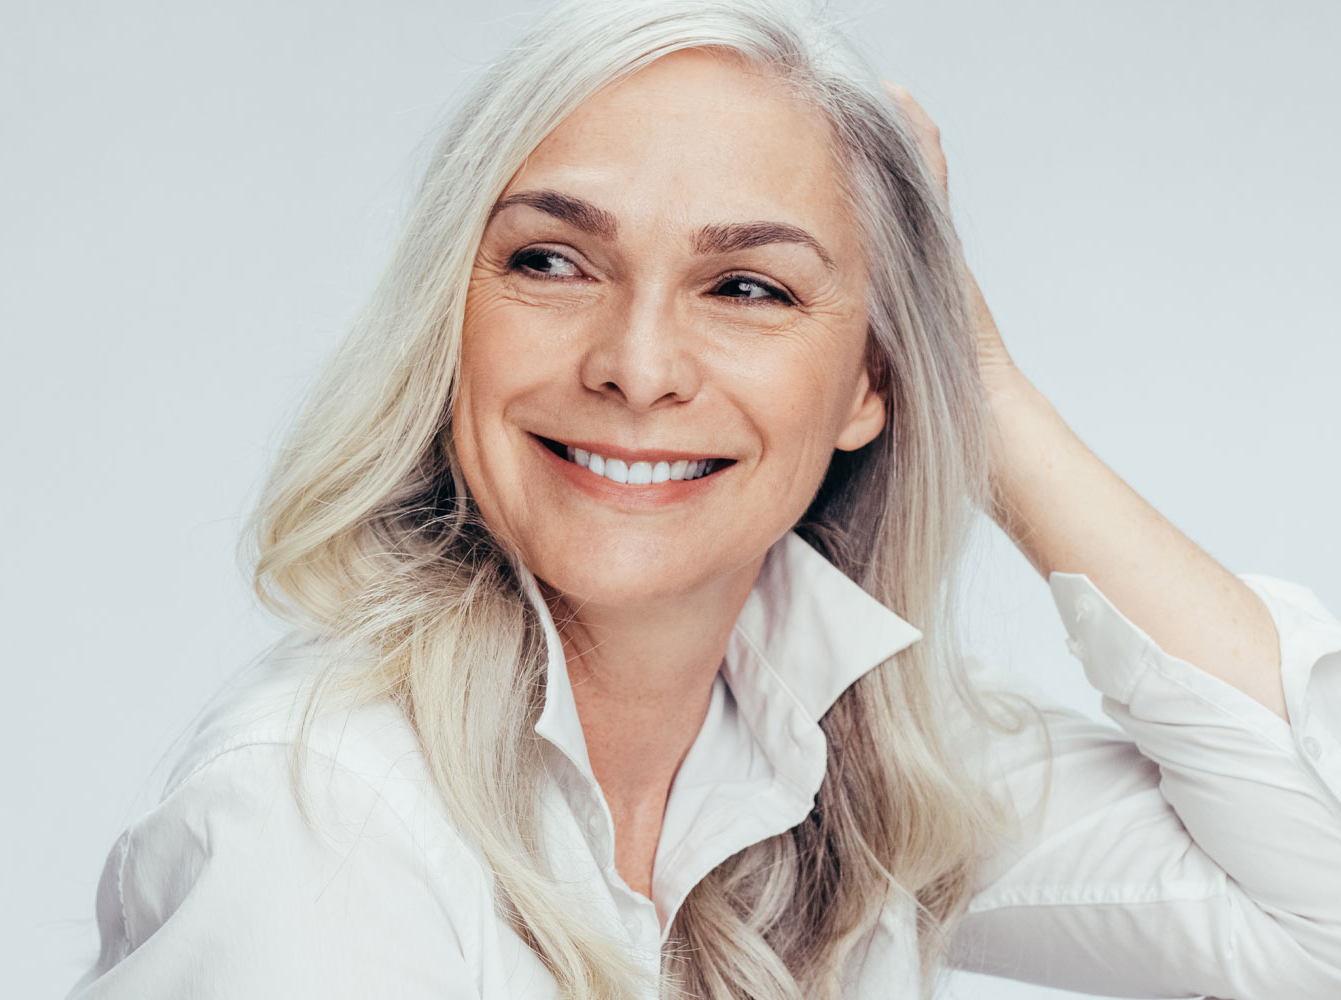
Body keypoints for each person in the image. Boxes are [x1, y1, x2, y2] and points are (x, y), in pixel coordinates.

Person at [65, 0, 1341, 997]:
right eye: (551, 261)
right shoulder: (324, 827)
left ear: (867, 382)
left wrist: (982, 391)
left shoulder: (843, 763)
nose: (635, 363)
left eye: (747, 289)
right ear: (446, 318)